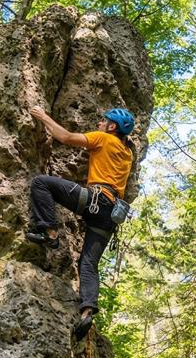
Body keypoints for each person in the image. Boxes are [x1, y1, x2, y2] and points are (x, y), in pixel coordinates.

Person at [26, 106, 135, 339]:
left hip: (95, 200)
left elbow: (65, 137)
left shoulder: (103, 138)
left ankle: (50, 233)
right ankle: (87, 312)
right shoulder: (127, 153)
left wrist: (43, 116)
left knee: (40, 183)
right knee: (88, 264)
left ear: (112, 127)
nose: (99, 123)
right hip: (111, 215)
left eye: (103, 121)